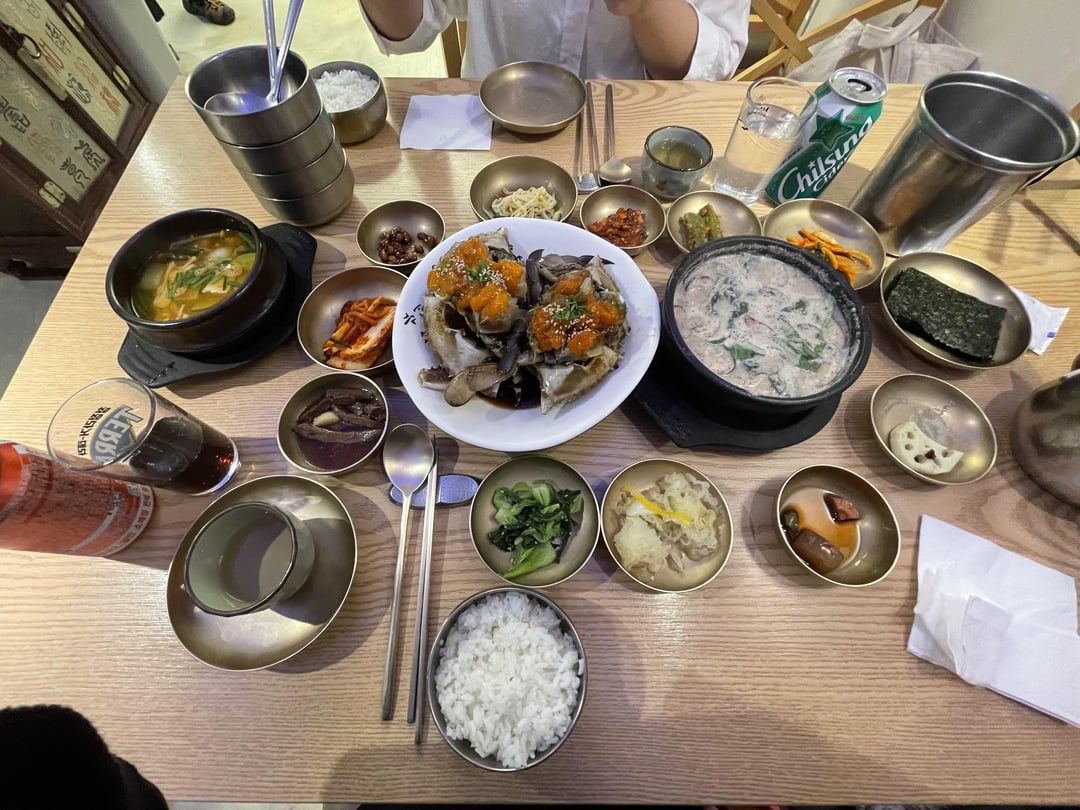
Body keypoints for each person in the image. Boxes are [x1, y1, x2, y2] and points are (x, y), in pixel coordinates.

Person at [357, 0, 751, 81]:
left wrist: (647, 6)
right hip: (491, 124)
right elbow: (409, 30)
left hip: (632, 142)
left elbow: (713, 64)